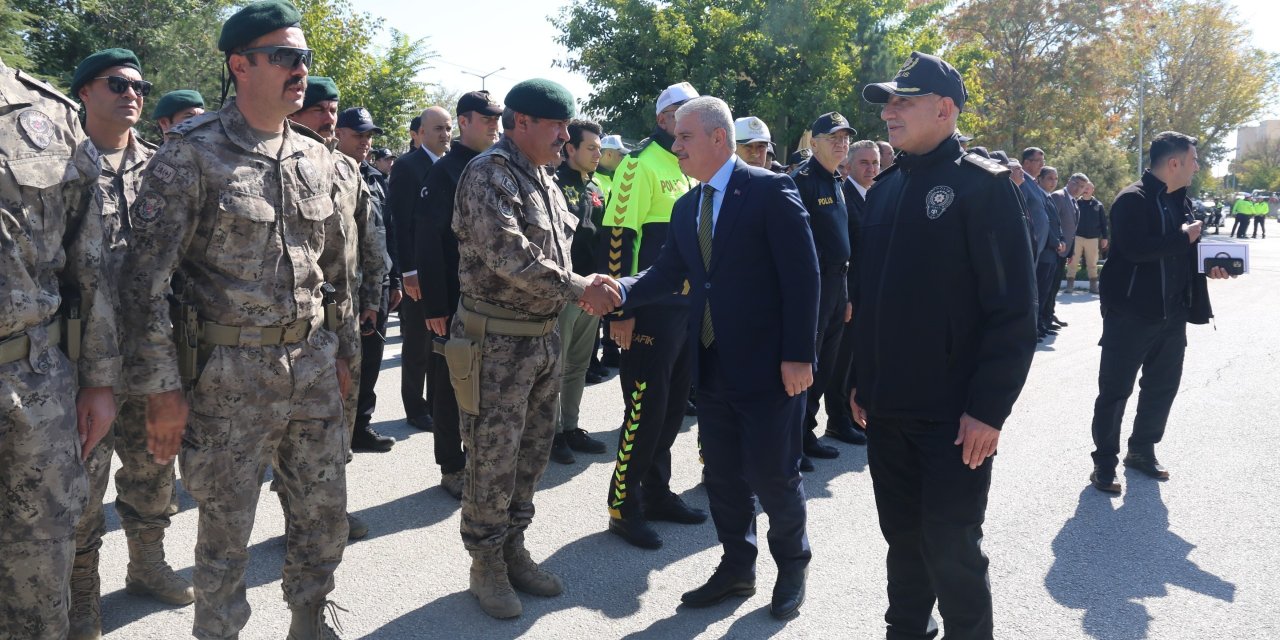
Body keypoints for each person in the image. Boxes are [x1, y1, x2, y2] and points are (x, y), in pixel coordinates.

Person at [120, 2, 358, 636]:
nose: (300, 68)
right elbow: (144, 287)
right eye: (284, 56)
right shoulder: (189, 156)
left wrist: (345, 358)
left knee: (323, 512)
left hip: (310, 367)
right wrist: (162, 391)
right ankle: (218, 629)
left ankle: (310, 615)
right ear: (240, 64)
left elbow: (338, 275)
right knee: (226, 531)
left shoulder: (319, 158)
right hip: (226, 378)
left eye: (304, 57)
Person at [855, 51, 1037, 639]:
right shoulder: (883, 191)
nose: (889, 113)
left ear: (944, 108)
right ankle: (906, 630)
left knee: (952, 546)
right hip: (888, 409)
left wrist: (989, 408)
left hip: (955, 417)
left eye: (902, 101)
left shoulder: (980, 189)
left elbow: (1013, 311)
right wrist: (861, 380)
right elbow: (871, 302)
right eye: (887, 102)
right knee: (902, 541)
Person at [617, 95, 819, 621]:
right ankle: (736, 567)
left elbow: (803, 277)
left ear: (717, 138)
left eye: (684, 137)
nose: (675, 145)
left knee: (774, 475)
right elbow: (665, 275)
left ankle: (792, 564)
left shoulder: (771, 190)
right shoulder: (688, 206)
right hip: (711, 363)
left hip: (772, 367)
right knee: (724, 476)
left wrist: (799, 354)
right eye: (675, 138)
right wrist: (617, 291)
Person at [449, 78, 621, 619]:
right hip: (495, 344)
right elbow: (511, 257)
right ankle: (485, 564)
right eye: (557, 127)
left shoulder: (543, 177)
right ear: (520, 123)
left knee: (532, 454)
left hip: (541, 338)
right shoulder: (488, 175)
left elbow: (557, 254)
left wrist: (584, 282)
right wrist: (579, 288)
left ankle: (513, 547)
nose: (566, 137)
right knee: (492, 459)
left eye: (569, 127)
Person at [65, 48, 194, 640]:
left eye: (139, 85)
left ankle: (147, 566)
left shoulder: (163, 168)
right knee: (80, 487)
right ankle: (81, 597)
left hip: (150, 354)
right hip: (76, 360)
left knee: (152, 473)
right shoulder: (61, 166)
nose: (132, 93)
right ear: (85, 92)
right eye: (116, 83)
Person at [0, 55, 120, 640]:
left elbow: (88, 264)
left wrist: (99, 378)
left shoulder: (47, 116)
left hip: (32, 385)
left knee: (38, 575)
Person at [1088, 132, 1233, 494]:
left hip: (1173, 313)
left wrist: (1211, 265)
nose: (1197, 166)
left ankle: (1142, 450)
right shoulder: (1131, 199)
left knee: (1162, 386)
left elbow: (1180, 256)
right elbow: (1137, 250)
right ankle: (1105, 463)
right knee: (1115, 390)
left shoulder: (1180, 203)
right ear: (1174, 163)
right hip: (1131, 313)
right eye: (1194, 160)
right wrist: (1184, 238)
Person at [602, 81, 706, 551]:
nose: (688, 122)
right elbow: (617, 239)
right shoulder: (637, 165)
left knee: (669, 412)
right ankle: (623, 506)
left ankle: (658, 493)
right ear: (663, 119)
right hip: (648, 311)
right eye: (680, 113)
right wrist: (621, 309)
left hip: (686, 310)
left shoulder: (692, 166)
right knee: (643, 412)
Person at [287, 79, 391, 540]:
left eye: (333, 111)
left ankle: (332, 509)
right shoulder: (281, 164)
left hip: (344, 317)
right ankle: (299, 513)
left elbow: (369, 237)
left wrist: (372, 299)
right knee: (300, 426)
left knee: (341, 417)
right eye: (318, 111)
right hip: (300, 321)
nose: (329, 120)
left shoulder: (346, 169)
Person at [414, 90, 502, 499]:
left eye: (496, 118)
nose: (493, 124)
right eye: (485, 118)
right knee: (450, 383)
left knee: (483, 383)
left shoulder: (496, 164)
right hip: (455, 299)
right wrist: (436, 304)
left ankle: (480, 457)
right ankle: (451, 464)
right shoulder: (445, 171)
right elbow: (430, 241)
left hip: (491, 300)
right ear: (464, 122)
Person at [790, 112, 862, 467]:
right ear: (813, 142)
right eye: (833, 137)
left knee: (825, 368)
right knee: (806, 366)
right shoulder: (800, 181)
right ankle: (792, 442)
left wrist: (845, 294)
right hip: (813, 286)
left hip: (836, 285)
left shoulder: (836, 180)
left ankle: (807, 433)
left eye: (845, 137)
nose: (842, 143)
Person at [334, 106, 399, 453]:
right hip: (341, 291)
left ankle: (361, 426)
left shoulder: (374, 177)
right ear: (339, 133)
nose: (366, 141)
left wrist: (397, 279)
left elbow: (389, 231)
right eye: (359, 134)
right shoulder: (325, 170)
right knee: (341, 365)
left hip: (376, 283)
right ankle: (338, 434)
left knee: (371, 360)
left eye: (369, 135)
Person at [550, 119, 611, 464]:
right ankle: (553, 432)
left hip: (593, 286)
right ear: (570, 149)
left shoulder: (598, 187)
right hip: (565, 288)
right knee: (556, 365)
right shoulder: (554, 184)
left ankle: (571, 426)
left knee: (578, 364)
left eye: (599, 148)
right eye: (591, 147)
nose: (597, 153)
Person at [395, 105, 453, 431]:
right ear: (420, 133)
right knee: (417, 341)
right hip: (417, 271)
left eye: (447, 129)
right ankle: (415, 407)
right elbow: (400, 224)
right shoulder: (408, 166)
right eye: (437, 129)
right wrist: (408, 272)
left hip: (441, 270)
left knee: (438, 342)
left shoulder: (448, 166)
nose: (444, 135)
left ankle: (433, 404)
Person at [826, 140, 880, 446]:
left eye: (874, 163)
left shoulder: (877, 195)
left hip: (871, 294)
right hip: (850, 293)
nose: (871, 168)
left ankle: (854, 413)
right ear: (848, 166)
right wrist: (846, 297)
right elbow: (843, 252)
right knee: (841, 361)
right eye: (864, 163)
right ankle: (837, 420)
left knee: (859, 359)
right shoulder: (844, 197)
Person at [1035, 164, 1068, 338]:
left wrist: (1061, 240)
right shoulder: (1039, 196)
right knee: (1040, 291)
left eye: (1055, 179)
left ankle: (1042, 323)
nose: (1053, 182)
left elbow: (1057, 224)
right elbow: (1044, 224)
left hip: (1054, 251)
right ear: (1040, 179)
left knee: (1047, 291)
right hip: (1045, 251)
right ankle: (1035, 325)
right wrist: (1056, 242)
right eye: (1049, 178)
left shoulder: (1048, 197)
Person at [1051, 173, 1085, 293]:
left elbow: (1072, 230)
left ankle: (1049, 311)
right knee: (1049, 285)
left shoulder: (1074, 202)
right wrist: (1057, 242)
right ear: (1069, 181)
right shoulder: (1058, 196)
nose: (1078, 189)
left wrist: (1071, 252)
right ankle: (1044, 312)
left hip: (1065, 250)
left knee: (1055, 285)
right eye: (1076, 184)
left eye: (1082, 187)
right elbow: (1052, 222)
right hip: (1054, 249)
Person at [1075, 181, 1110, 294]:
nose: (1086, 190)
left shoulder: (1098, 205)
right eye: (1084, 187)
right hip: (1077, 237)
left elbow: (1103, 223)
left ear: (1092, 190)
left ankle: (1093, 286)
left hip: (1093, 238)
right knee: (1072, 261)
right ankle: (1070, 285)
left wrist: (1105, 237)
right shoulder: (1076, 203)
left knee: (1092, 263)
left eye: (1088, 188)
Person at [596, 133, 630, 203]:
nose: (623, 158)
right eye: (621, 155)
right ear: (609, 155)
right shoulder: (594, 181)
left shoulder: (614, 178)